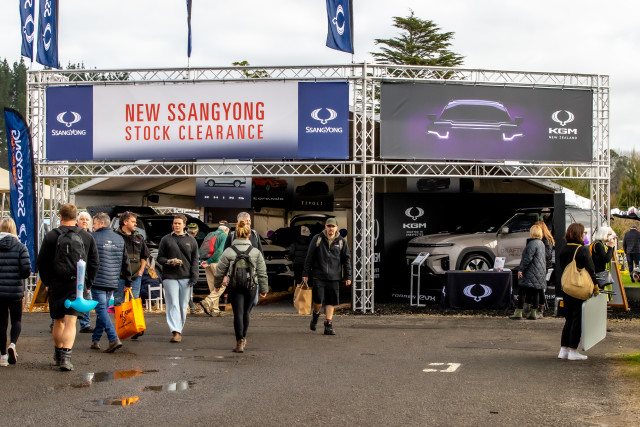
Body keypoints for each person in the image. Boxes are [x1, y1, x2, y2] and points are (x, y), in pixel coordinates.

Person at [37, 203, 99, 371]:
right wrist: (88, 284)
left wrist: (47, 282)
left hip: (56, 283)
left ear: (60, 216)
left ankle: (58, 354)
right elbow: (94, 262)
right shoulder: (86, 237)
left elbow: (41, 262)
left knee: (58, 321)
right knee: (71, 321)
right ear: (76, 217)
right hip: (77, 284)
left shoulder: (51, 236)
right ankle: (66, 358)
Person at [214, 220, 268, 352]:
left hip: (235, 286)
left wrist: (217, 285)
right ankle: (243, 337)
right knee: (246, 313)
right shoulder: (255, 252)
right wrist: (264, 289)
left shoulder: (229, 251)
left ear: (236, 235)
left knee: (237, 313)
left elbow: (220, 270)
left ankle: (239, 342)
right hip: (251, 286)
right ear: (249, 235)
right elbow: (262, 272)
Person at [90, 213, 132, 353]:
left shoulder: (93, 237)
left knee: (101, 309)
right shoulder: (119, 239)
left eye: (94, 223)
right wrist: (128, 280)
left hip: (98, 279)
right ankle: (95, 340)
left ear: (101, 223)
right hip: (113, 280)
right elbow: (125, 261)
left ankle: (113, 338)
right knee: (102, 310)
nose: (93, 226)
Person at [303, 218, 352, 335]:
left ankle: (328, 324)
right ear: (325, 227)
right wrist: (305, 273)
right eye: (329, 226)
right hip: (318, 275)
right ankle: (316, 314)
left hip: (334, 277)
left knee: (331, 301)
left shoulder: (341, 241)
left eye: (333, 226)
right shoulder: (317, 239)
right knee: (318, 301)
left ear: (336, 228)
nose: (331, 229)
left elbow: (346, 260)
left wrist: (348, 276)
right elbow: (309, 256)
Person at [557, 222, 597, 361]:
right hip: (578, 289)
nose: (585, 235)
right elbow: (591, 269)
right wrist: (596, 285)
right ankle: (573, 350)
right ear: (579, 234)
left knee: (568, 319)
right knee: (577, 319)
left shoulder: (563, 249)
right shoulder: (582, 250)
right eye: (583, 232)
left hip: (566, 287)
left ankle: (563, 349)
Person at [157, 214, 199, 343]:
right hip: (169, 277)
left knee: (182, 305)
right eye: (175, 223)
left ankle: (179, 328)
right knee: (172, 304)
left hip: (186, 277)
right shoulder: (166, 239)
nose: (176, 225)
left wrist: (194, 276)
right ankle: (175, 331)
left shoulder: (191, 240)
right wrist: (169, 262)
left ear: (184, 225)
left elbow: (195, 260)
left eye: (179, 223)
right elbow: (159, 258)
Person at [0, 218, 32, 367]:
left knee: (1, 323)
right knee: (16, 321)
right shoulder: (21, 247)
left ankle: (3, 356)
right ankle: (12, 344)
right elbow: (26, 271)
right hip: (15, 291)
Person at [115, 211, 150, 339]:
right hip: (119, 276)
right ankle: (122, 328)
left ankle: (135, 328)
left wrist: (141, 271)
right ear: (125, 222)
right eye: (133, 221)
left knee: (134, 302)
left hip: (135, 276)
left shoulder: (138, 237)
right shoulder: (116, 237)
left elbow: (145, 255)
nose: (136, 224)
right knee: (119, 302)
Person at [223, 212, 264, 310]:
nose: (249, 222)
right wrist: (225, 275)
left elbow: (260, 254)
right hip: (236, 273)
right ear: (239, 222)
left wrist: (261, 271)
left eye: (249, 220)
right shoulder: (232, 235)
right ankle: (243, 315)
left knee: (254, 300)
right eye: (246, 220)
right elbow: (225, 256)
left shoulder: (255, 235)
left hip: (253, 273)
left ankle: (245, 313)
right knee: (239, 300)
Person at [511, 224, 547, 320]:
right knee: (536, 292)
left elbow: (527, 258)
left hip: (530, 271)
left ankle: (518, 313)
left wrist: (521, 269)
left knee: (522, 291)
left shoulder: (531, 244)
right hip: (539, 273)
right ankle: (533, 313)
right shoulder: (541, 244)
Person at [199, 224, 230, 316]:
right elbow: (220, 251)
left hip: (207, 263)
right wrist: (210, 260)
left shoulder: (210, 234)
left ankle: (215, 310)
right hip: (217, 262)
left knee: (213, 287)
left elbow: (201, 249)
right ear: (226, 230)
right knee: (222, 285)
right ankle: (207, 301)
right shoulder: (224, 235)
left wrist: (203, 261)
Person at [76, 211, 94, 334]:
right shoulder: (74, 234)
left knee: (86, 298)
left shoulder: (92, 236)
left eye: (87, 219)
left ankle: (85, 324)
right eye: (82, 219)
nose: (84, 221)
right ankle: (55, 322)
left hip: (86, 272)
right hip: (73, 270)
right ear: (77, 221)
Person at [534, 220, 555, 318]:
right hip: (543, 266)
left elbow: (547, 254)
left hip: (544, 266)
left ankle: (539, 308)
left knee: (539, 288)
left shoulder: (546, 240)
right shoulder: (547, 239)